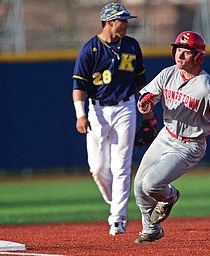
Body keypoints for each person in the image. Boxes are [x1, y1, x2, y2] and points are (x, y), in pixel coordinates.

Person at [134, 31, 210, 243]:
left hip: (189, 145)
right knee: (139, 185)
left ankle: (170, 196)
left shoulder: (207, 88)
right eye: (178, 50)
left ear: (198, 57)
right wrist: (144, 103)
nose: (179, 56)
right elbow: (146, 100)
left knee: (151, 185)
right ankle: (151, 228)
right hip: (166, 136)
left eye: (186, 53)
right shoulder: (168, 73)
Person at [72, 3, 155, 236]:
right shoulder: (90, 49)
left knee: (121, 165)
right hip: (96, 110)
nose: (127, 23)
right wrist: (80, 114)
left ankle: (117, 217)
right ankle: (115, 201)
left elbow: (140, 82)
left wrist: (148, 114)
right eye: (123, 20)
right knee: (97, 168)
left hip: (125, 108)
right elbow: (78, 85)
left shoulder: (131, 45)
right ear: (109, 22)